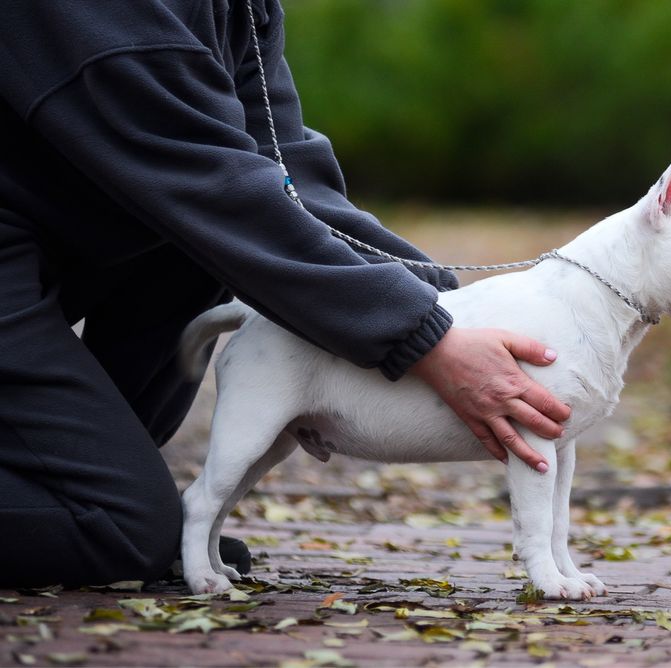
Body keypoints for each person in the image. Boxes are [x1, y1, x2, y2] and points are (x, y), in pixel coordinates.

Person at [0, 0, 569, 588]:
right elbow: (211, 184)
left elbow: (284, 170)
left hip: (46, 233)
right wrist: (423, 339)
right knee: (120, 528)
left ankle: (77, 474)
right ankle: (99, 499)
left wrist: (447, 306)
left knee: (196, 254)